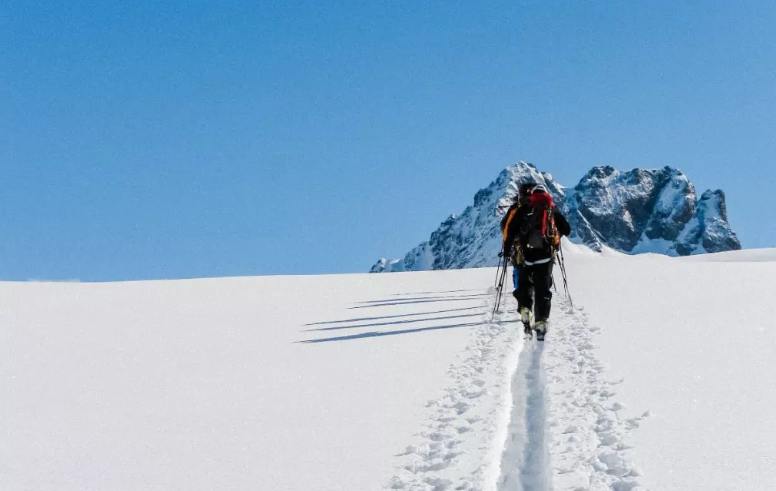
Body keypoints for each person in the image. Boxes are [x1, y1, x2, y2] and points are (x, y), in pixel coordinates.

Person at [502, 184, 571, 340]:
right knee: (543, 289)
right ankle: (541, 321)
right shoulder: (551, 209)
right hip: (546, 256)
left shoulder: (525, 208)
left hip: (527, 255)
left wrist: (507, 250)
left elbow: (511, 230)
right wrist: (556, 238)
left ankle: (526, 309)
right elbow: (567, 229)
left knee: (525, 283)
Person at [500, 182, 536, 289]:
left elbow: (505, 226)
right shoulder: (540, 207)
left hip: (518, 242)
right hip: (537, 243)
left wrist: (507, 243)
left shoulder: (515, 209)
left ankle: (520, 287)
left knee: (518, 264)